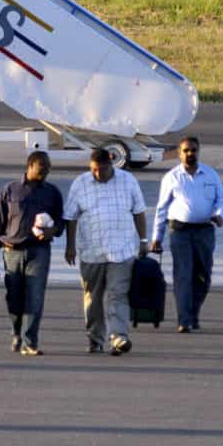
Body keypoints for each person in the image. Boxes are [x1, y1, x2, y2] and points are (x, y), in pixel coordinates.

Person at [63, 147, 149, 355]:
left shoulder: (128, 181)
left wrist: (143, 240)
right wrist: (70, 246)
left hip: (121, 250)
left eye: (101, 170)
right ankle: (95, 338)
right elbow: (71, 217)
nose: (97, 174)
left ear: (111, 164)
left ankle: (119, 337)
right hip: (91, 252)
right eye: (93, 170)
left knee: (117, 295)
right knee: (92, 298)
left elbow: (139, 211)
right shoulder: (81, 183)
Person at [0, 152, 64, 356]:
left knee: (36, 297)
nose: (45, 174)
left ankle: (30, 342)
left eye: (48, 170)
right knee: (14, 298)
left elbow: (60, 222)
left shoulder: (52, 192)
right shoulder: (10, 189)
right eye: (41, 170)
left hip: (39, 252)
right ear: (30, 166)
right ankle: (16, 333)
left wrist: (52, 230)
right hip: (12, 252)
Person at [151, 136, 223, 333]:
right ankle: (184, 319)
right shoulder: (171, 177)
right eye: (186, 151)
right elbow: (161, 208)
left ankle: (193, 314)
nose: (190, 154)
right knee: (183, 275)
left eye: (193, 150)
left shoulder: (210, 174)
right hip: (180, 232)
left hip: (205, 232)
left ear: (198, 151)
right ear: (179, 153)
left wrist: (219, 215)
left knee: (204, 276)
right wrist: (156, 238)